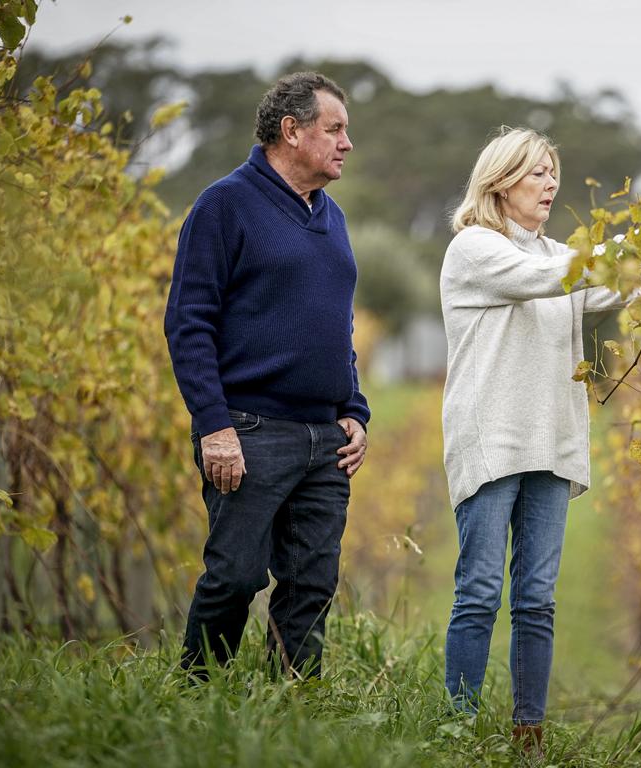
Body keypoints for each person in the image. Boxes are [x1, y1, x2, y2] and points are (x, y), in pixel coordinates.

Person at [440, 127, 641, 753]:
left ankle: (527, 734)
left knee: (536, 600)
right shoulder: (476, 248)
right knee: (479, 593)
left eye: (553, 173)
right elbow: (551, 279)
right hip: (493, 442)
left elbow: (617, 285)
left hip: (551, 444)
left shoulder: (557, 254)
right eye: (537, 173)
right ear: (501, 181)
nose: (550, 183)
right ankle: (458, 732)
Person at [164, 71, 369, 678]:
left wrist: (353, 410)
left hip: (324, 442)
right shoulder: (225, 204)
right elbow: (188, 323)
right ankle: (199, 696)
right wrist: (214, 426)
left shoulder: (332, 216)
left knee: (312, 583)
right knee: (235, 575)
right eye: (334, 129)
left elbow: (338, 326)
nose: (346, 143)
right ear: (291, 131)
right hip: (250, 430)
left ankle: (292, 705)